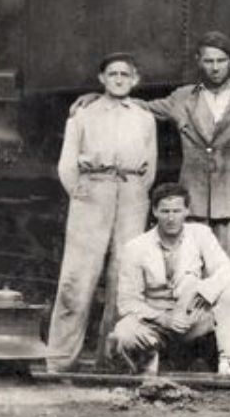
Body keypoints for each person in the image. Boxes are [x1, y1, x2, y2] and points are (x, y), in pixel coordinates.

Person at [76, 30, 230, 274]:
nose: (215, 68)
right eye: (209, 61)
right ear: (198, 62)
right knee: (192, 272)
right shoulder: (182, 97)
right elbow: (142, 107)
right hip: (197, 202)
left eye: (221, 61)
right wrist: (102, 96)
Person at [46, 52, 157, 372]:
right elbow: (67, 164)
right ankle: (60, 360)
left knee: (125, 275)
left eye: (125, 74)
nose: (119, 79)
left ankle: (111, 361)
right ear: (102, 79)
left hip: (132, 193)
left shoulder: (143, 117)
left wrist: (135, 192)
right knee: (77, 278)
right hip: (93, 192)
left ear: (135, 80)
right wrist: (82, 193)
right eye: (112, 74)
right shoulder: (83, 115)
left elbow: (149, 168)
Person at [108, 182, 230, 375]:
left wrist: (204, 290)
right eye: (165, 211)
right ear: (155, 211)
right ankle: (147, 365)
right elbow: (126, 302)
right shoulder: (136, 247)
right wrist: (163, 319)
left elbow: (229, 270)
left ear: (186, 211)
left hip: (192, 317)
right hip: (154, 323)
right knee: (124, 334)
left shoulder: (200, 234)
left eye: (177, 211)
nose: (171, 218)